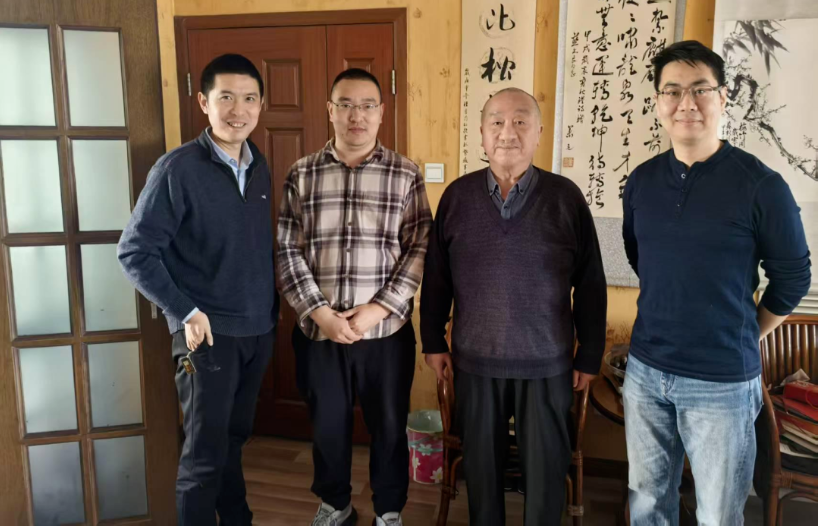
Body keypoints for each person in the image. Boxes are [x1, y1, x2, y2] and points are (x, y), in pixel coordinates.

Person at [622, 40, 812, 524]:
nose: (686, 103)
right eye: (672, 91)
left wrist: (748, 331)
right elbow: (643, 258)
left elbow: (792, 278)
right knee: (647, 503)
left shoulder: (761, 185)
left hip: (722, 382)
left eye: (700, 89)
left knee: (719, 515)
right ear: (658, 102)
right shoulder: (641, 181)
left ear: (723, 97)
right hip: (645, 372)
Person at [420, 87, 607, 526]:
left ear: (539, 133)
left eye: (521, 121)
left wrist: (589, 353)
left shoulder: (565, 197)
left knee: (545, 478)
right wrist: (433, 340)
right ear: (482, 135)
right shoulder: (457, 197)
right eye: (497, 122)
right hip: (475, 362)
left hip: (547, 363)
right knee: (482, 477)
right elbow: (437, 277)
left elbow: (590, 282)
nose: (508, 132)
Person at [118, 54, 277, 526]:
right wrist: (185, 311)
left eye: (249, 98)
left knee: (233, 441)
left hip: (256, 330)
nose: (238, 110)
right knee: (203, 457)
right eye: (226, 97)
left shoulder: (259, 165)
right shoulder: (178, 169)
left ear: (261, 104)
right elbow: (135, 252)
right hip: (205, 337)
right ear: (204, 102)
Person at [277, 68, 432, 526]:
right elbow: (286, 250)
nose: (356, 116)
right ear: (330, 110)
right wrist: (320, 313)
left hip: (386, 332)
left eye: (366, 106)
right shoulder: (302, 173)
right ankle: (336, 505)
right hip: (320, 332)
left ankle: (388, 511)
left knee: (389, 426)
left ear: (382, 112)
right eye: (345, 105)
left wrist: (378, 309)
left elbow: (419, 247)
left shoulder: (405, 173)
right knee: (327, 426)